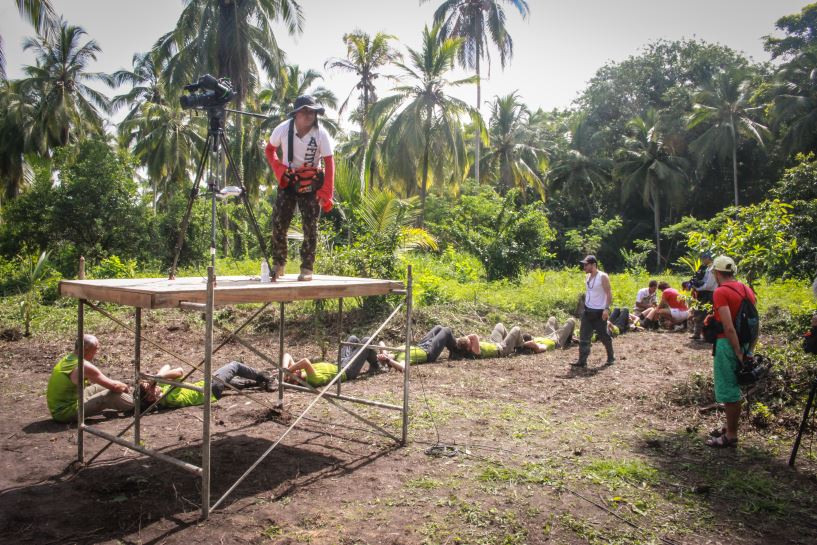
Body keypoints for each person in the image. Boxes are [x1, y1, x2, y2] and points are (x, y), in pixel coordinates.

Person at [265, 95, 335, 282]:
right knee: (279, 222)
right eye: (305, 111)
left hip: (311, 182)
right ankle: (278, 264)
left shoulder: (321, 134)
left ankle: (307, 268)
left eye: (312, 111)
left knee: (310, 226)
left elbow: (329, 162)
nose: (309, 115)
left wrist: (326, 192)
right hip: (288, 181)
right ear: (296, 113)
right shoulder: (282, 129)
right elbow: (269, 150)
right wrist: (279, 169)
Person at [705, 255, 757, 448]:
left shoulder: (721, 292)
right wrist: (749, 350)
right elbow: (754, 322)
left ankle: (731, 435)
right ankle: (729, 427)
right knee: (734, 387)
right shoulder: (746, 289)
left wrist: (737, 352)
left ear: (716, 273)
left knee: (729, 391)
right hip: (745, 343)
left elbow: (728, 327)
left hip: (728, 345)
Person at [47, 334, 134, 422]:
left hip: (64, 404)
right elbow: (114, 387)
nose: (97, 352)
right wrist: (124, 387)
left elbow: (110, 384)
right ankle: (137, 405)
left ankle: (131, 400)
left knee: (102, 387)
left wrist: (119, 385)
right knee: (110, 395)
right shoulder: (84, 366)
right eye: (96, 349)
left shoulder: (69, 358)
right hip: (64, 413)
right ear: (86, 350)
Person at [139, 361, 274, 408]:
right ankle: (266, 378)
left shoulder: (161, 394)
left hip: (208, 388)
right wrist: (157, 378)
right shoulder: (168, 396)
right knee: (235, 365)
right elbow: (179, 371)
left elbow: (166, 365)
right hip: (211, 388)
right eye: (150, 387)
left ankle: (256, 383)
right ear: (150, 398)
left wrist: (154, 379)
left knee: (228, 380)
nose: (153, 385)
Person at [375, 326, 477, 372]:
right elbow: (403, 368)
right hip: (429, 353)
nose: (386, 355)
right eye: (386, 357)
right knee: (446, 331)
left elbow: (381, 343)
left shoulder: (394, 352)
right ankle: (458, 351)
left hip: (421, 346)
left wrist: (384, 354)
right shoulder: (401, 358)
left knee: (438, 327)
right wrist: (387, 360)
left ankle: (457, 344)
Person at [573, 255, 615, 367]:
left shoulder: (603, 276)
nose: (584, 267)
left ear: (594, 265)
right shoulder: (587, 276)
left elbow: (609, 293)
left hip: (599, 312)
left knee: (604, 336)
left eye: (586, 265)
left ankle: (611, 357)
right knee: (584, 337)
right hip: (588, 311)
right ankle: (582, 361)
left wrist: (606, 308)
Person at [689, 252, 717, 340]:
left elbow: (708, 285)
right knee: (699, 312)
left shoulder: (712, 269)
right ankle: (697, 333)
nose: (702, 261)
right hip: (705, 293)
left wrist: (698, 288)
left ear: (708, 258)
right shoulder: (707, 268)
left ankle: (707, 335)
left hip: (709, 293)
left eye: (703, 259)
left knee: (705, 314)